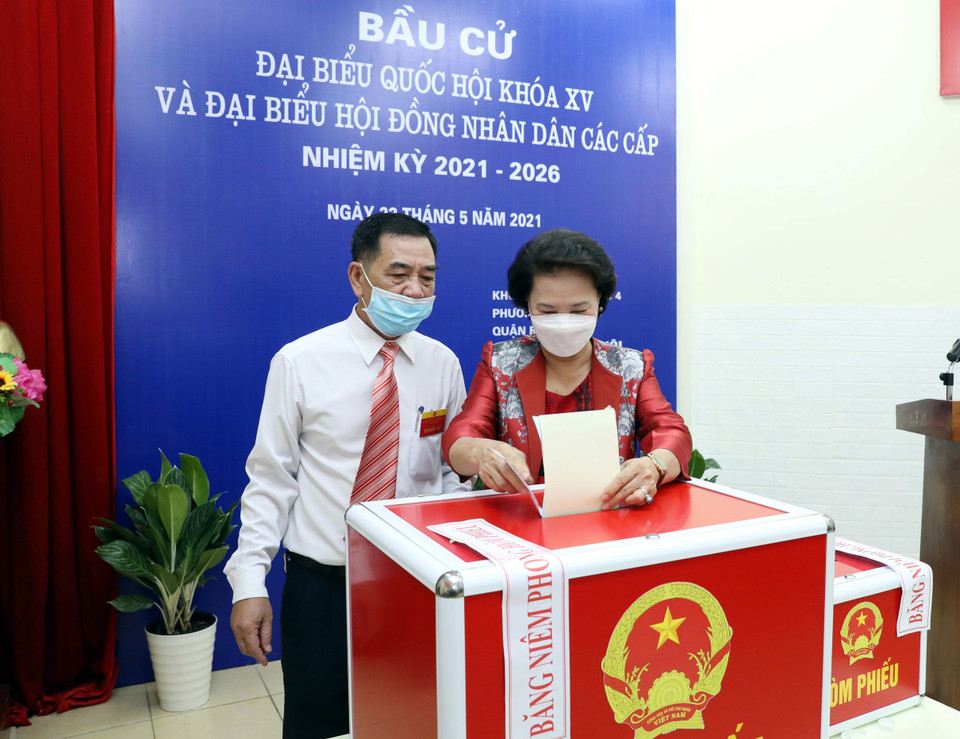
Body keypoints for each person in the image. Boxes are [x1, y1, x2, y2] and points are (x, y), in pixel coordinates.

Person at [224, 213, 471, 739]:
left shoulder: (443, 363)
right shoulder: (301, 361)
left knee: (415, 716)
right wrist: (249, 582)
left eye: (427, 277)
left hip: (415, 580)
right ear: (358, 278)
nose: (414, 289)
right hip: (324, 586)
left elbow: (451, 476)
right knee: (321, 722)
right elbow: (271, 479)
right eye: (398, 274)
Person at [442, 228, 691, 509]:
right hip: (520, 524)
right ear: (527, 305)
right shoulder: (501, 363)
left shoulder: (631, 367)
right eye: (548, 311)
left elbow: (673, 432)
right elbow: (461, 435)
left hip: (608, 522)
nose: (563, 322)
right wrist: (481, 451)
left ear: (600, 302)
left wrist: (654, 465)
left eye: (578, 310)